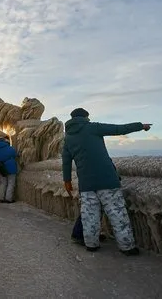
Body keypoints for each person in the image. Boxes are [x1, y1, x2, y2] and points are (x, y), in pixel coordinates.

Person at [62, 107, 152, 255]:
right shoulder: (93, 127)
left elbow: (66, 161)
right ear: (85, 117)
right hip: (107, 180)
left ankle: (91, 245)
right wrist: (141, 126)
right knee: (117, 215)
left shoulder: (68, 138)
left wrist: (67, 181)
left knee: (89, 216)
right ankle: (127, 247)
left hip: (86, 184)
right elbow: (118, 129)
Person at [0, 134, 18, 203]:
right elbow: (15, 155)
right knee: (11, 183)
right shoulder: (10, 148)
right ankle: (8, 198)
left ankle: (1, 198)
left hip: (2, 168)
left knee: (3, 183)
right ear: (7, 141)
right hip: (11, 167)